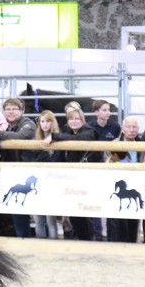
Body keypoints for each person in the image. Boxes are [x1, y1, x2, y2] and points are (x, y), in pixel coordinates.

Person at [0, 97, 37, 238]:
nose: (11, 112)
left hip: (26, 172)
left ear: (22, 110)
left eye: (15, 109)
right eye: (8, 109)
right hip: (6, 171)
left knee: (28, 209)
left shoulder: (28, 124)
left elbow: (20, 136)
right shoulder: (1, 123)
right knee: (12, 207)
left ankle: (30, 238)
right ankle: (18, 238)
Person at [45, 101, 96, 241]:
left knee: (84, 213)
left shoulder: (89, 131)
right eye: (71, 119)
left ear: (82, 120)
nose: (74, 122)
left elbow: (78, 139)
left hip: (86, 179)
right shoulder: (66, 132)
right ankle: (75, 239)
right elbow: (59, 155)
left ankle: (87, 240)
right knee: (72, 213)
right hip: (69, 179)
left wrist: (55, 136)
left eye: (77, 119)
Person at [106, 115, 141, 243]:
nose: (131, 130)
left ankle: (131, 244)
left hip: (135, 185)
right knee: (115, 222)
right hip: (116, 184)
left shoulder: (143, 145)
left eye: (134, 127)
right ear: (122, 128)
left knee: (132, 221)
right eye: (128, 126)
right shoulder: (113, 144)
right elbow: (106, 163)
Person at [31, 110, 60, 240]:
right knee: (38, 219)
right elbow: (31, 160)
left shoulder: (59, 139)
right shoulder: (35, 140)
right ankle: (39, 244)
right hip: (38, 183)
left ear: (53, 123)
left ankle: (53, 243)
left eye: (48, 121)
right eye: (42, 121)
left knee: (51, 220)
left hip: (54, 183)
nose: (45, 125)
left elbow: (58, 160)